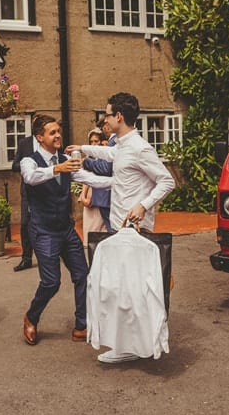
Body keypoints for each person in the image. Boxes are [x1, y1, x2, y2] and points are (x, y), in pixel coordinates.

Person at [66, 92, 175, 363]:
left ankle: (138, 346)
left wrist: (143, 205)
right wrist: (82, 146)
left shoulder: (140, 148)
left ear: (119, 117)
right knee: (122, 291)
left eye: (107, 114)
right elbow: (110, 152)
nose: (105, 119)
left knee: (136, 293)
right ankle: (128, 345)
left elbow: (167, 181)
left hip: (136, 231)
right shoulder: (123, 145)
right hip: (119, 229)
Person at [19, 115, 104, 346]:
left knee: (83, 275)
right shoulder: (30, 161)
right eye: (52, 132)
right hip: (43, 230)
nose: (57, 135)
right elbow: (31, 178)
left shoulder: (66, 159)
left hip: (65, 229)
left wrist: (119, 181)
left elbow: (87, 178)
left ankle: (81, 324)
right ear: (40, 137)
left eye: (58, 131)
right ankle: (31, 317)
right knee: (51, 282)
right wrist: (57, 168)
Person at [83, 118, 115, 232]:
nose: (93, 144)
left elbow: (105, 168)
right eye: (91, 142)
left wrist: (84, 162)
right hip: (99, 194)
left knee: (111, 228)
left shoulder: (111, 144)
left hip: (105, 193)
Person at [11, 133, 37, 271]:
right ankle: (26, 258)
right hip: (28, 191)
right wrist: (27, 167)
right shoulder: (24, 143)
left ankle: (54, 254)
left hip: (47, 190)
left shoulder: (51, 142)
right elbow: (14, 165)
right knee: (25, 224)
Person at [79, 128, 107, 242]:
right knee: (91, 226)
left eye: (96, 141)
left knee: (102, 227)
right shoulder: (87, 159)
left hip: (102, 193)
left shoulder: (104, 158)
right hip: (90, 192)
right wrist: (83, 196)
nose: (94, 144)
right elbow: (85, 179)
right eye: (91, 142)